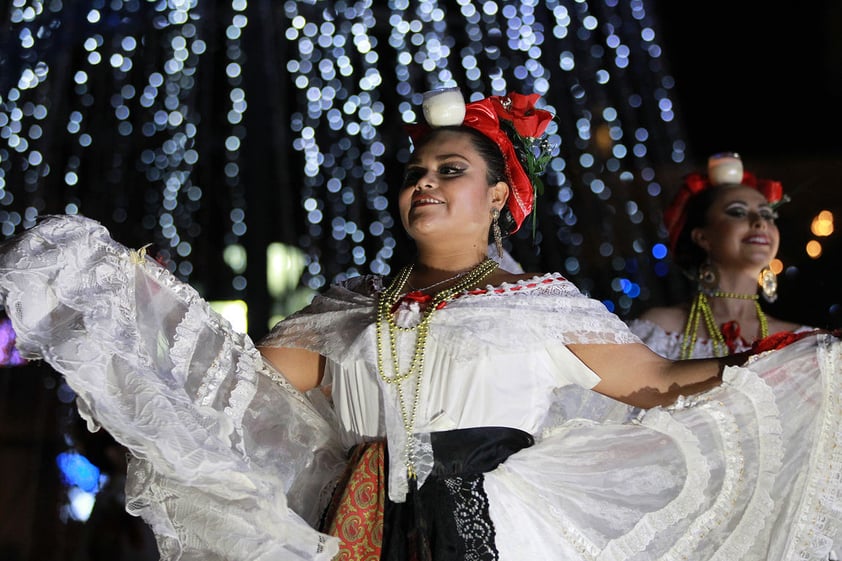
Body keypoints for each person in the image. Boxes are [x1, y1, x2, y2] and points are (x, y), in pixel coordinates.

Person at [0, 89, 840, 561]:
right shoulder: (344, 309)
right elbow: (238, 375)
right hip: (359, 522)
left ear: (500, 198)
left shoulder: (542, 305)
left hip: (502, 528)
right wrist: (140, 299)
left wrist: (791, 364)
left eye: (450, 170)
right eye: (414, 173)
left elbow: (655, 382)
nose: (426, 183)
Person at [629, 152, 814, 360]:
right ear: (702, 237)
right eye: (737, 212)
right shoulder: (659, 330)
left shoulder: (801, 343)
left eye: (767, 215)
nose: (760, 222)